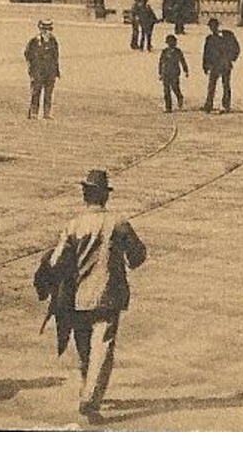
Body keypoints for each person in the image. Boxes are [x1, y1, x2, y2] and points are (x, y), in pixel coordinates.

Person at [36, 169, 148, 423]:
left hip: (77, 298)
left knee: (86, 349)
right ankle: (90, 398)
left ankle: (88, 390)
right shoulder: (118, 223)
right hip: (109, 295)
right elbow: (138, 256)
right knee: (103, 347)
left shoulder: (73, 225)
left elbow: (55, 262)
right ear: (105, 197)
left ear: (85, 195)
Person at [200, 18, 240, 113]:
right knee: (211, 86)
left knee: (225, 85)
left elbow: (236, 48)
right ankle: (209, 104)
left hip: (225, 64)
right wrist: (205, 65)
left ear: (217, 25)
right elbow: (206, 53)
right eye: (210, 26)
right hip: (214, 65)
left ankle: (226, 105)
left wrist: (231, 58)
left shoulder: (227, 35)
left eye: (213, 26)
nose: (212, 28)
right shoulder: (209, 38)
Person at [24, 19, 61, 120]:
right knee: (36, 92)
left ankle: (47, 113)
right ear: (40, 29)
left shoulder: (53, 41)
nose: (46, 32)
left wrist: (56, 70)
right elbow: (27, 54)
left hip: (50, 71)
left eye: (48, 29)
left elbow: (56, 56)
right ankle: (33, 112)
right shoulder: (35, 41)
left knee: (48, 93)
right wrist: (32, 68)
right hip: (38, 71)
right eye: (44, 29)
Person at [157, 34, 187, 112]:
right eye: (169, 42)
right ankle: (168, 107)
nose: (171, 44)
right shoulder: (164, 51)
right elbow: (160, 62)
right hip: (165, 73)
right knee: (166, 90)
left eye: (172, 42)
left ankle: (179, 97)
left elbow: (182, 61)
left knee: (175, 88)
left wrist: (185, 70)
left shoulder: (178, 51)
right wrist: (160, 72)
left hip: (174, 73)